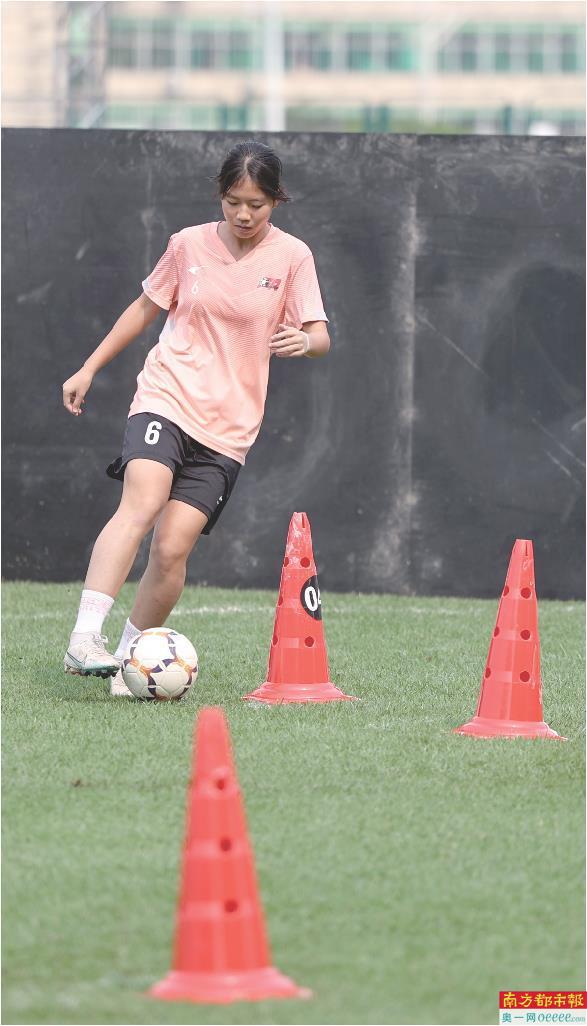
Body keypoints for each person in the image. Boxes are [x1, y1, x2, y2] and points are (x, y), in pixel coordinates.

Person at [62, 140, 331, 696]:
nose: (244, 214)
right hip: (167, 396)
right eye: (234, 201)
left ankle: (130, 661)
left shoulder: (292, 256)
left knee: (172, 549)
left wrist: (304, 343)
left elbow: (320, 334)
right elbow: (145, 307)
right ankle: (84, 637)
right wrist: (88, 367)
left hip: (229, 430)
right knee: (141, 503)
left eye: (257, 204)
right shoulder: (187, 244)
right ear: (220, 195)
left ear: (276, 201)